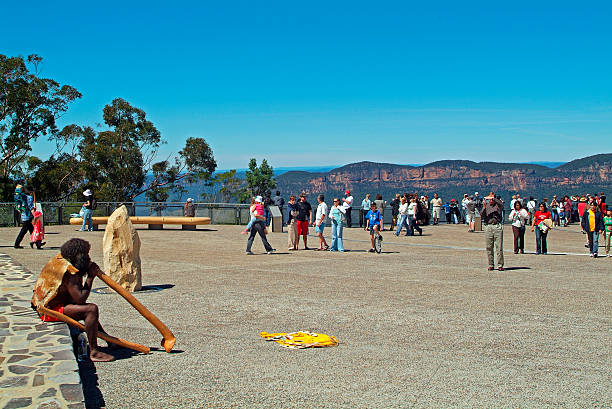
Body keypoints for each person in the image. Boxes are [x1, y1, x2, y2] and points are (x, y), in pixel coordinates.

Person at [31, 238, 115, 361]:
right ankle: (94, 352)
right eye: (86, 254)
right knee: (91, 310)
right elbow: (80, 298)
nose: (88, 257)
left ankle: (109, 340)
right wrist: (90, 277)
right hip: (49, 311)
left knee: (87, 311)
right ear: (78, 256)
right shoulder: (70, 272)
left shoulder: (59, 260)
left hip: (45, 305)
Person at [481, 192, 504, 271]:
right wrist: (484, 208)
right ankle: (491, 264)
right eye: (489, 199)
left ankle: (500, 264)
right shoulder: (486, 206)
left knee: (499, 246)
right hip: (488, 226)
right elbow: (481, 215)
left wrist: (493, 198)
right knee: (489, 247)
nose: (490, 201)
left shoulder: (498, 206)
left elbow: (501, 204)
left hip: (497, 226)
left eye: (491, 199)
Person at [14, 185, 35, 249]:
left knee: (32, 230)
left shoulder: (22, 197)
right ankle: (16, 244)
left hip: (23, 215)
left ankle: (36, 242)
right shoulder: (29, 197)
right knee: (23, 231)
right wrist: (35, 215)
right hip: (28, 216)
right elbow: (31, 207)